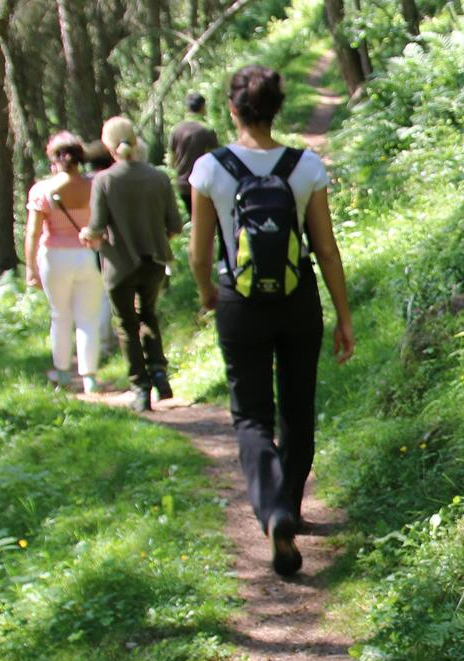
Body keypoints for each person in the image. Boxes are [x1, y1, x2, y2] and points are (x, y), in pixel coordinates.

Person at [188, 64, 355, 576]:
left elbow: (198, 254)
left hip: (239, 302)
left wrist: (208, 296)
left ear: (232, 110)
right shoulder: (305, 166)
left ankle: (274, 511)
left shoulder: (210, 169)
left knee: (251, 414)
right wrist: (343, 317)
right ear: (277, 109)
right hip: (297, 297)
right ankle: (290, 505)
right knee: (298, 407)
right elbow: (325, 250)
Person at [84, 115, 184, 412]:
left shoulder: (104, 181)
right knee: (149, 316)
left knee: (127, 325)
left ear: (109, 145)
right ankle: (159, 374)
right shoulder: (158, 177)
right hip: (153, 260)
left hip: (118, 265)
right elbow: (175, 225)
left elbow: (97, 227)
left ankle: (140, 387)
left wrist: (87, 235)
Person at [23, 131, 106, 393]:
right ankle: (90, 376)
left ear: (54, 158)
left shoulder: (42, 191)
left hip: (55, 258)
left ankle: (62, 373)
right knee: (88, 318)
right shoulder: (94, 186)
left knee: (60, 315)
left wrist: (30, 267)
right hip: (88, 255)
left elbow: (33, 233)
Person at [168, 91, 218, 186]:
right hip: (202, 184)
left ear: (187, 108)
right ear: (203, 107)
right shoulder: (208, 130)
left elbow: (171, 160)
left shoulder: (176, 129)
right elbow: (213, 159)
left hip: (180, 184)